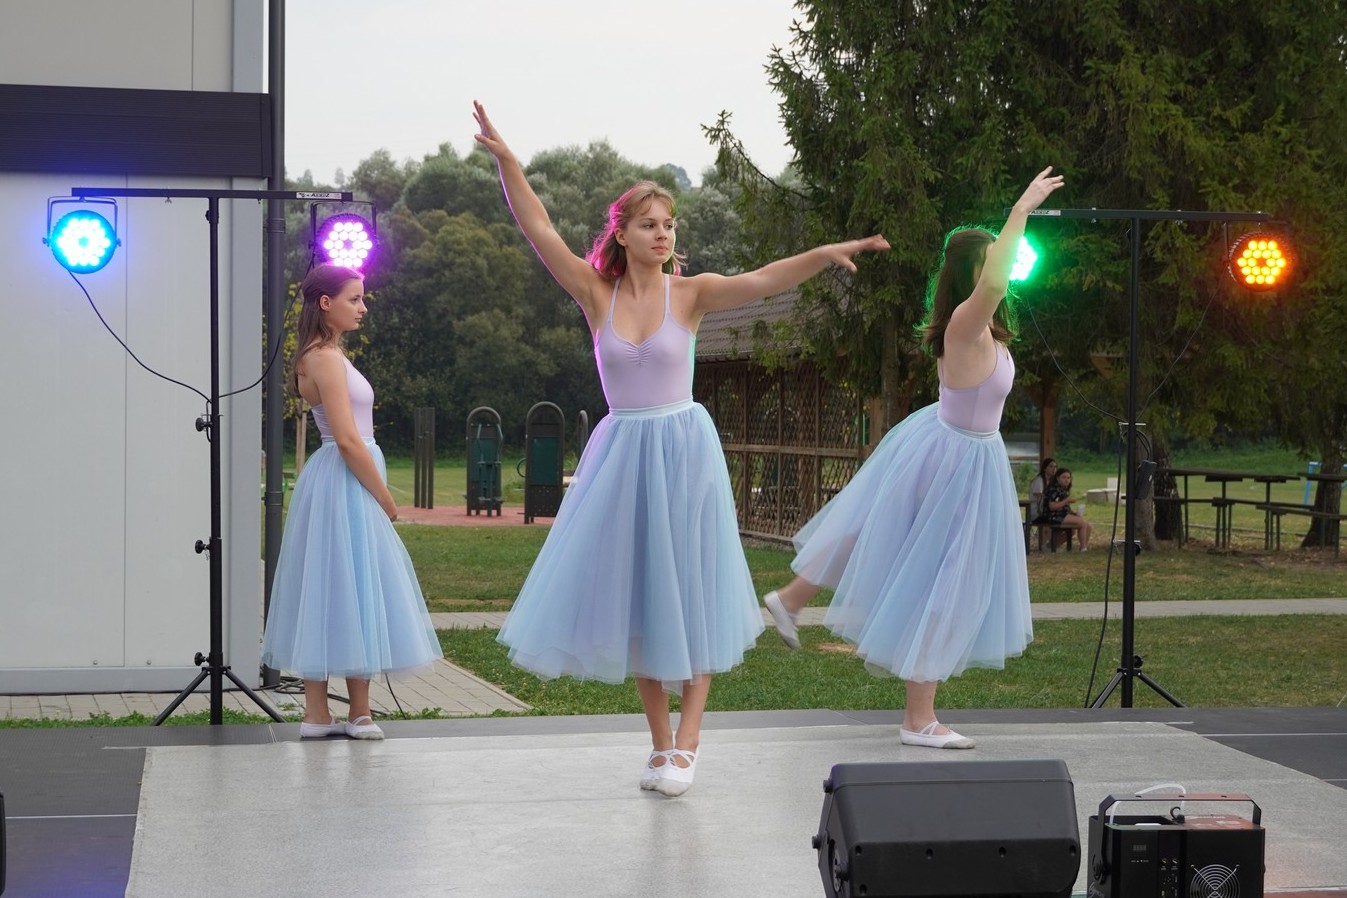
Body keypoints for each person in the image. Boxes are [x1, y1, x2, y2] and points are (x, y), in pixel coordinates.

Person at [473, 101, 889, 796]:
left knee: (691, 594)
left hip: (684, 454)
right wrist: (509, 162)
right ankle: (660, 744)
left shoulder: (691, 295)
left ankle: (689, 743)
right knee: (643, 599)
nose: (662, 233)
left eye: (668, 224)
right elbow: (538, 228)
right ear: (622, 233)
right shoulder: (596, 293)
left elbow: (765, 280)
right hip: (623, 457)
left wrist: (824, 254)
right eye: (649, 224)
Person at [761, 168, 1065, 750]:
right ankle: (918, 718)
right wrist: (1021, 209)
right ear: (973, 273)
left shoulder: (987, 331)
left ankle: (793, 598)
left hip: (960, 451)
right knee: (943, 582)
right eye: (994, 262)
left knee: (887, 535)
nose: (1004, 271)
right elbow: (995, 282)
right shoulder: (965, 324)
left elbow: (997, 287)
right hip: (956, 461)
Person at [261, 263, 444, 741]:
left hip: (342, 475)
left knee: (351, 583)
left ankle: (345, 711)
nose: (363, 308)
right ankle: (328, 711)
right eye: (354, 299)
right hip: (345, 477)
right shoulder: (323, 358)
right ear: (326, 303)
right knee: (340, 582)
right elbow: (346, 438)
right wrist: (386, 498)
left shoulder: (328, 354)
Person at [1043, 467, 1093, 550]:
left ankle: (1050, 546)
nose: (1066, 480)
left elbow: (1064, 507)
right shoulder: (1054, 489)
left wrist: (1073, 513)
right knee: (1082, 523)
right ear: (1057, 478)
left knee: (1088, 525)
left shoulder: (1064, 489)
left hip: (1062, 514)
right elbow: (1052, 507)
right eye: (1064, 477)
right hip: (1053, 515)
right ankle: (1083, 548)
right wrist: (1066, 501)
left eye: (1068, 478)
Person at [1028, 456, 1057, 523]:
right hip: (1037, 514)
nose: (1054, 469)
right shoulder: (1039, 480)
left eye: (1055, 467)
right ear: (1044, 468)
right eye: (1051, 466)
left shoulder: (1050, 481)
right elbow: (1040, 498)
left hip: (1046, 512)